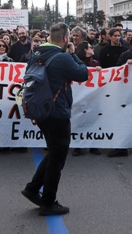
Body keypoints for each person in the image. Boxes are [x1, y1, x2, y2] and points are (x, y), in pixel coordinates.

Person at [21, 23, 88, 216]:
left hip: (40, 111)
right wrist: (73, 54)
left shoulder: (35, 54)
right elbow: (83, 73)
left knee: (54, 152)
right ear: (66, 39)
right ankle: (48, 202)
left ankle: (33, 189)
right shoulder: (63, 57)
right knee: (57, 158)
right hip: (57, 112)